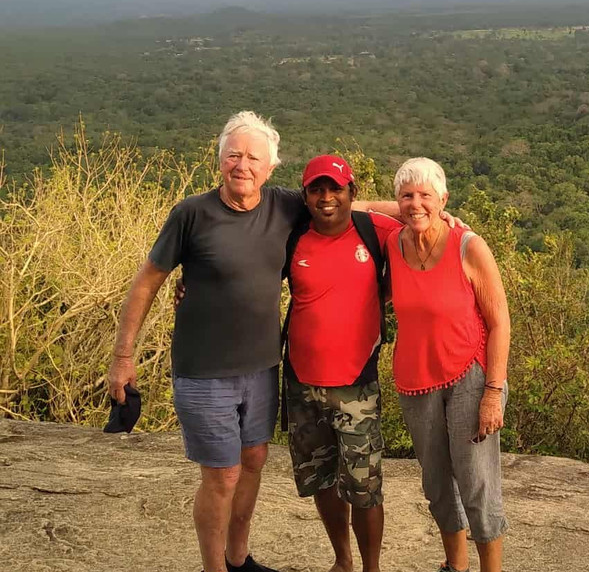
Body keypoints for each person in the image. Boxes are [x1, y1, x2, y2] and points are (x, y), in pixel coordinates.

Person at [106, 111, 426, 572]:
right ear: (220, 160)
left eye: (253, 158)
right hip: (206, 370)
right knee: (224, 474)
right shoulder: (192, 214)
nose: (243, 166)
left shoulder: (284, 206)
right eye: (234, 155)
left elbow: (345, 203)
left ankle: (239, 558)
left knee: (254, 459)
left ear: (270, 167)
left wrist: (419, 209)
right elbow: (147, 281)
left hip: (263, 369)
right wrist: (123, 355)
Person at [387, 158, 512, 572]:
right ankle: (455, 567)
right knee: (437, 482)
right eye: (406, 196)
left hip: (469, 376)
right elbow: (356, 207)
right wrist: (409, 209)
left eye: (426, 195)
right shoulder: (392, 243)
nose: (415, 204)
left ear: (444, 199)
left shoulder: (468, 246)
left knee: (476, 483)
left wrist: (493, 392)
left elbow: (500, 322)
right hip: (416, 380)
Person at [282, 155, 400, 572]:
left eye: (336, 188)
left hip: (356, 385)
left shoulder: (375, 231)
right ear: (305, 196)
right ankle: (342, 560)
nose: (326, 197)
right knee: (322, 477)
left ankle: (371, 568)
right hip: (301, 383)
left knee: (364, 487)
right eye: (317, 189)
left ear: (352, 192)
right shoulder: (293, 237)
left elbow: (420, 218)